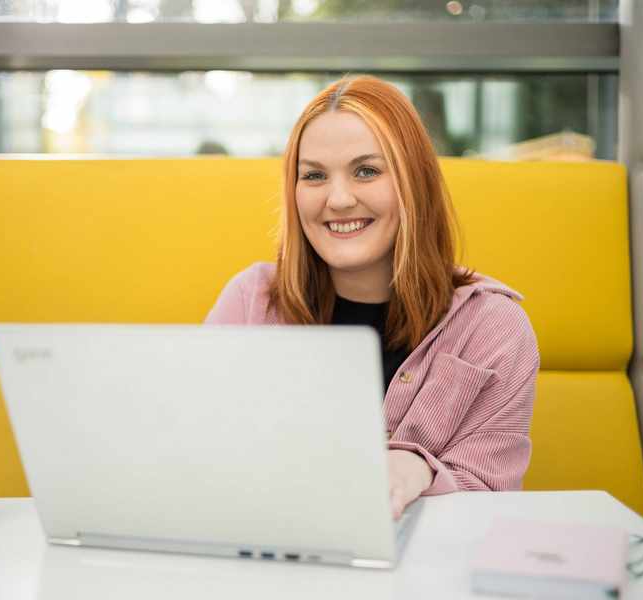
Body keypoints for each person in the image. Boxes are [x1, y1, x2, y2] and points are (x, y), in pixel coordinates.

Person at [204, 75, 540, 519]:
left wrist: (419, 468)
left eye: (367, 171)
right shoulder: (251, 301)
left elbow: (490, 495)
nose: (339, 199)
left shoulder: (493, 328)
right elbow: (197, 452)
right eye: (314, 176)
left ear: (413, 184)